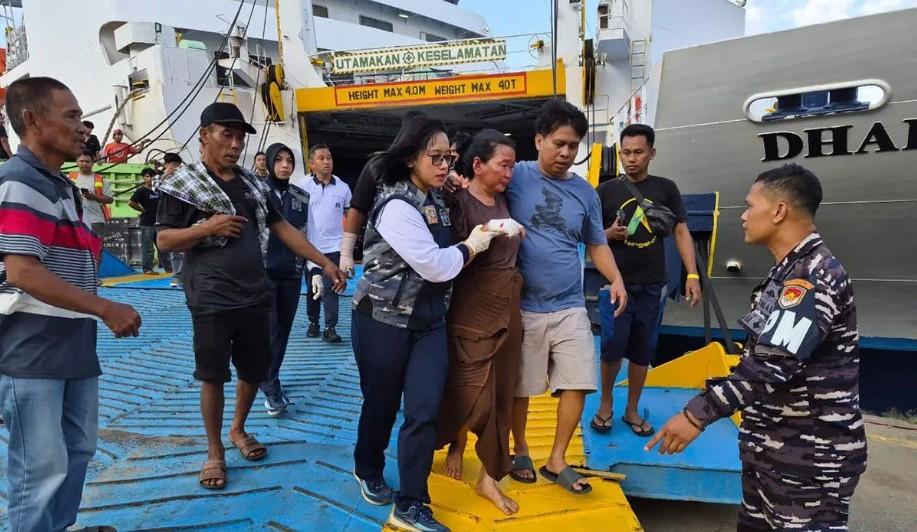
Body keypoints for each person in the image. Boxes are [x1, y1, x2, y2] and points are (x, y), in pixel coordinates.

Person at [646, 164, 867, 531]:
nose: (745, 216)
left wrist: (697, 414)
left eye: (751, 206)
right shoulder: (787, 271)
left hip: (809, 459)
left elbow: (771, 365)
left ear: (779, 211)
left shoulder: (812, 276)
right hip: (774, 449)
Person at [156, 102, 347, 490]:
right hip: (210, 295)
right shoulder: (184, 184)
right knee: (212, 375)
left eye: (240, 137)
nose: (235, 144)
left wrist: (324, 264)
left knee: (253, 370)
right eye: (226, 135)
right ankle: (214, 451)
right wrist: (205, 227)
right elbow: (164, 239)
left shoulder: (251, 183)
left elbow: (283, 228)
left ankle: (238, 430)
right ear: (203, 136)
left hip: (254, 291)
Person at [0, 76, 141, 532]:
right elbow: (22, 271)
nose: (83, 128)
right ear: (33, 122)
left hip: (73, 343)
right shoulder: (20, 181)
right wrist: (106, 308)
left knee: (78, 449)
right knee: (39, 468)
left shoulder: (60, 187)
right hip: (32, 349)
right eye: (72, 117)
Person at [351, 116, 501, 532]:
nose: (443, 165)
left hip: (428, 323)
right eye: (434, 157)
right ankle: (368, 467)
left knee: (423, 410)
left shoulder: (435, 198)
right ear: (410, 157)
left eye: (447, 157)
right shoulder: (396, 205)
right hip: (382, 319)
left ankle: (412, 501)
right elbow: (436, 266)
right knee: (380, 403)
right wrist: (473, 245)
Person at [498, 99, 627, 494]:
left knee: (579, 381)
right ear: (539, 140)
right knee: (522, 386)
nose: (566, 153)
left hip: (570, 302)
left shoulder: (585, 193)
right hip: (524, 306)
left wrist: (617, 279)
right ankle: (519, 447)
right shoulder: (515, 175)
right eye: (559, 143)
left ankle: (556, 459)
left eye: (573, 146)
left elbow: (595, 243)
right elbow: (479, 188)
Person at [592, 124, 701, 436]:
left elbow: (680, 230)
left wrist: (691, 274)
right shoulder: (606, 191)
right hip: (615, 285)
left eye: (638, 152)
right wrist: (608, 234)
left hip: (652, 284)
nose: (631, 159)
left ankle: (631, 410)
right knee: (612, 347)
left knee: (643, 350)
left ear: (652, 153)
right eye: (626, 152)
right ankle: (606, 404)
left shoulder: (666, 188)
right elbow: (589, 236)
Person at [436, 130, 524, 515]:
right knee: (471, 390)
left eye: (512, 166)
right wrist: (486, 233)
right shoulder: (457, 203)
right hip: (472, 307)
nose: (509, 173)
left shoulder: (504, 199)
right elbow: (449, 260)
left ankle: (489, 477)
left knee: (503, 393)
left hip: (509, 305)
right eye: (503, 165)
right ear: (477, 165)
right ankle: (455, 442)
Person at [340, 111, 428, 277]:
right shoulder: (378, 166)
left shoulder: (431, 169)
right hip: (384, 260)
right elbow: (358, 208)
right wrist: (346, 253)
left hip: (420, 258)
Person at [260, 142, 311, 416]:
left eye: (289, 160)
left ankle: (271, 376)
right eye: (278, 160)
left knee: (282, 330)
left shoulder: (301, 197)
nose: (284, 165)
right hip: (263, 273)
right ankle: (270, 386)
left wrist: (313, 268)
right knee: (268, 330)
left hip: (291, 273)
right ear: (269, 163)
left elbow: (305, 234)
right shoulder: (257, 192)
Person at [299, 143, 351, 342]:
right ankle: (313, 322)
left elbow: (350, 215)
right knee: (313, 287)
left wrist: (348, 248)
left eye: (329, 157)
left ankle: (331, 327)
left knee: (332, 287)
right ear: (312, 164)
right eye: (321, 158)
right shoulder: (302, 186)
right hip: (311, 247)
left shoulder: (343, 187)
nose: (327, 161)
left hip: (335, 247)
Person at [70, 149, 113, 235]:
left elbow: (110, 199)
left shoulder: (100, 179)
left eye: (87, 161)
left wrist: (94, 197)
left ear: (93, 162)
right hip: (75, 220)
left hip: (96, 220)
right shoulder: (70, 178)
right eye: (81, 161)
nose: (84, 164)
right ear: (76, 162)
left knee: (95, 247)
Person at [130, 167, 164, 274]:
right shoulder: (141, 191)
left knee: (163, 247)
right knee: (148, 248)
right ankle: (148, 269)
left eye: (152, 176)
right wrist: (141, 210)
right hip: (147, 223)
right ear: (144, 178)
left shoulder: (159, 190)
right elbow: (131, 202)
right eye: (147, 176)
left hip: (160, 222)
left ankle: (169, 269)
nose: (150, 179)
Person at [160, 153, 185, 284]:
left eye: (176, 165)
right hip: (168, 216)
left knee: (186, 247)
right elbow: (154, 189)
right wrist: (165, 175)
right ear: (165, 164)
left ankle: (185, 275)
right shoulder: (159, 178)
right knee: (175, 248)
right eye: (171, 164)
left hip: (183, 214)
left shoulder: (184, 177)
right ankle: (177, 276)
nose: (174, 167)